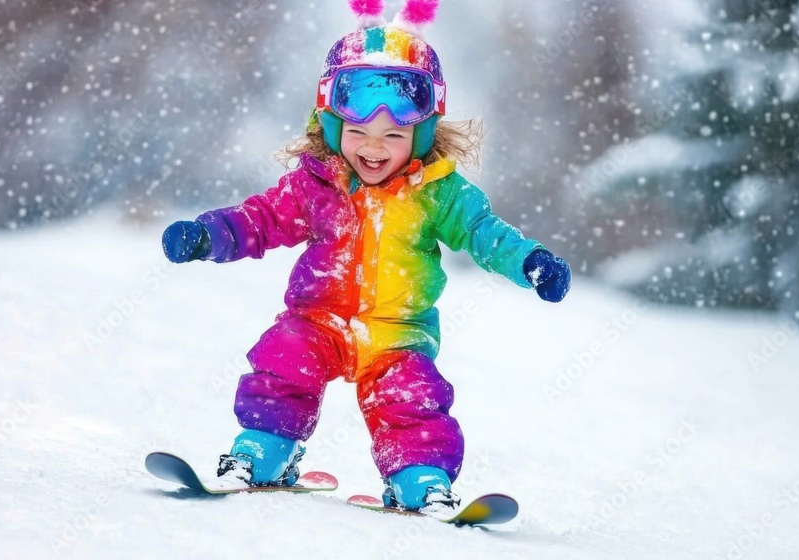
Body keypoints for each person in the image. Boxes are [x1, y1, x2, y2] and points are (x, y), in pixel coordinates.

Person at [160, 0, 571, 514]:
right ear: (332, 127)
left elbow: (484, 233)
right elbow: (261, 218)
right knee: (283, 361)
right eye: (357, 133)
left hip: (397, 331)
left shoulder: (436, 192)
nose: (373, 149)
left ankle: (418, 477)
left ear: (420, 136)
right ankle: (265, 449)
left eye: (394, 136)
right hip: (318, 319)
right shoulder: (316, 185)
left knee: (412, 401)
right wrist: (207, 235)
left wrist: (530, 261)